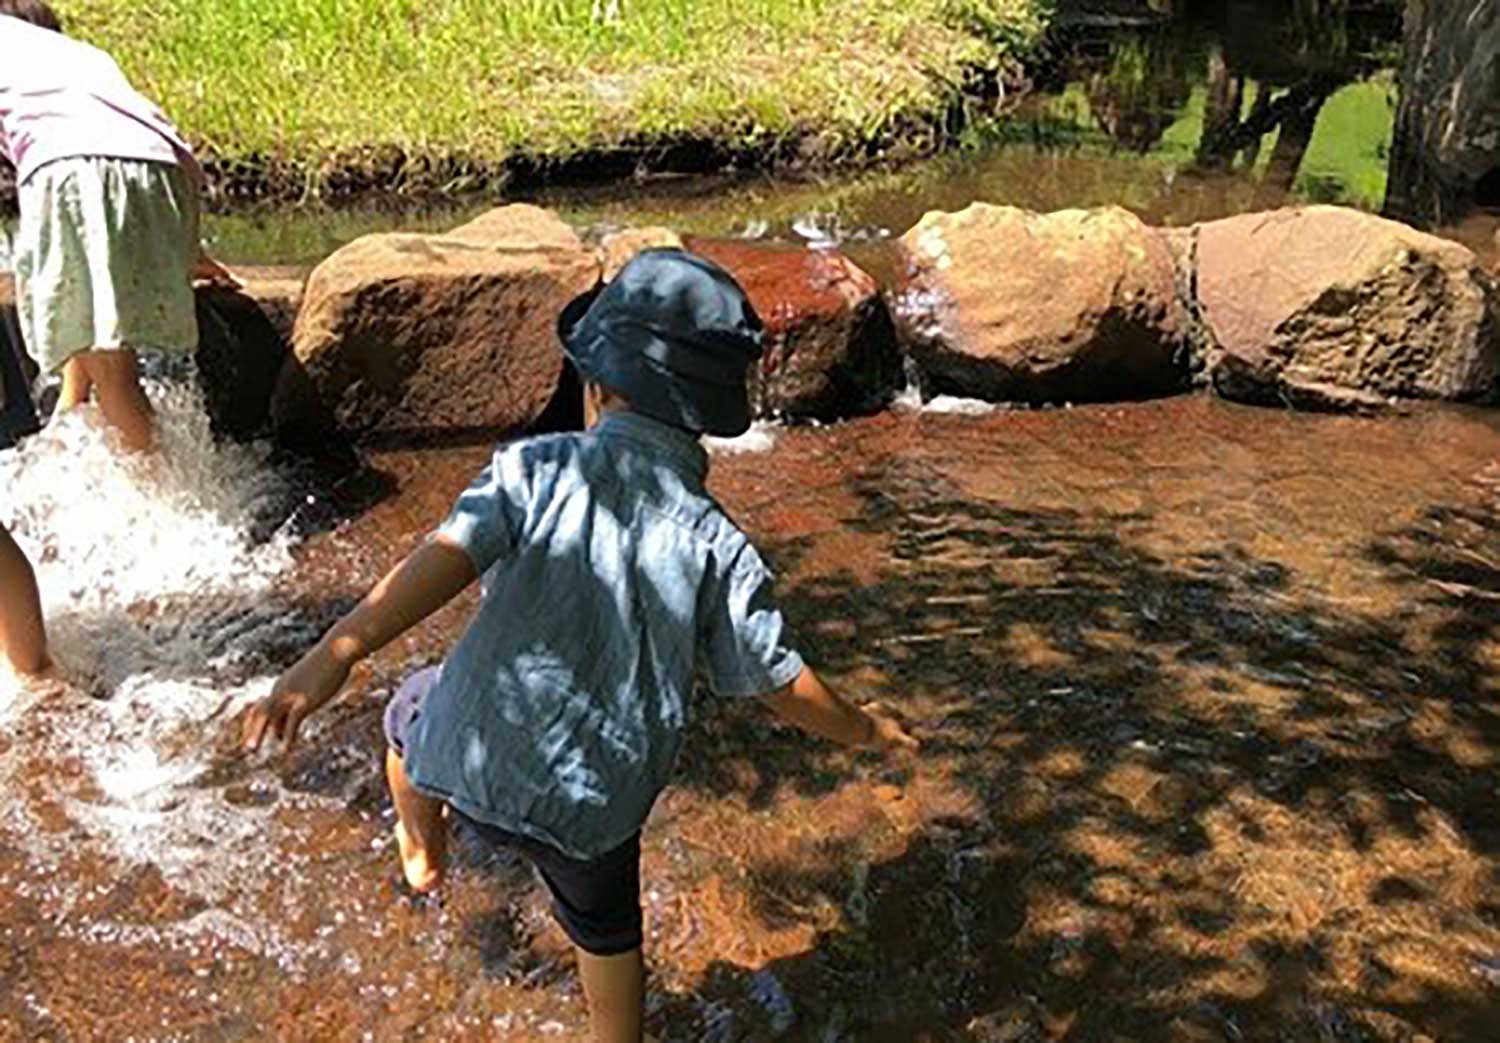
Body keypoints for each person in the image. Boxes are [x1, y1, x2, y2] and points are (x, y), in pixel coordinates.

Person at [242, 249, 919, 1043]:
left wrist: (331, 657)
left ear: (595, 386)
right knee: (609, 936)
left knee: (405, 713)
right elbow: (780, 682)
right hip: (593, 813)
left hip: (468, 751)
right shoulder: (718, 544)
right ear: (705, 416)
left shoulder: (532, 470)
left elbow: (437, 564)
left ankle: (422, 849)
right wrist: (868, 727)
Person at [0, 0, 236, 454]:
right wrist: (185, 248)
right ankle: (64, 426)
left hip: (72, 170)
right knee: (90, 321)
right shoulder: (74, 55)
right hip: (163, 169)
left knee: (117, 383)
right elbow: (160, 137)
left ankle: (166, 510)